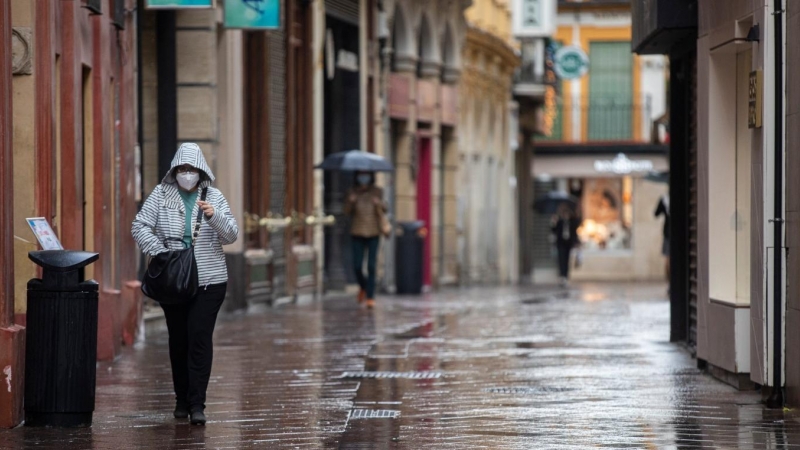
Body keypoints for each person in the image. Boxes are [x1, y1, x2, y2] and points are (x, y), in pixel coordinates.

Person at [131, 143, 239, 426]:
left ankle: (197, 404)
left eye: (191, 169)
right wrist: (160, 251)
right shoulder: (161, 193)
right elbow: (139, 225)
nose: (187, 174)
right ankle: (181, 399)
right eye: (182, 169)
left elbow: (232, 236)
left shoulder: (213, 195)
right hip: (173, 280)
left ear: (201, 170)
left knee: (199, 338)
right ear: (174, 171)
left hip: (209, 280)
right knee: (179, 340)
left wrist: (214, 216)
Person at [344, 171, 386, 309]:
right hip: (357, 231)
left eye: (366, 175)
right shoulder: (352, 192)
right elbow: (346, 211)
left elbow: (385, 208)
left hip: (374, 232)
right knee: (357, 265)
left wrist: (378, 203)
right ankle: (363, 287)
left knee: (371, 266)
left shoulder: (377, 191)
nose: (364, 178)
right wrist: (350, 202)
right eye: (361, 175)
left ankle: (370, 297)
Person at [551, 205, 580, 287]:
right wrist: (553, 222)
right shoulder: (559, 222)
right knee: (561, 259)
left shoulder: (572, 222)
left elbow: (575, 231)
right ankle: (562, 276)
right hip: (561, 243)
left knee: (567, 260)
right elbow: (554, 230)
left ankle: (566, 276)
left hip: (568, 243)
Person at [655, 193, 670, 279]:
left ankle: (670, 281)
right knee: (668, 258)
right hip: (669, 233)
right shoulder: (664, 199)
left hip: (668, 233)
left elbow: (656, 213)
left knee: (668, 258)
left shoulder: (664, 199)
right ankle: (670, 281)